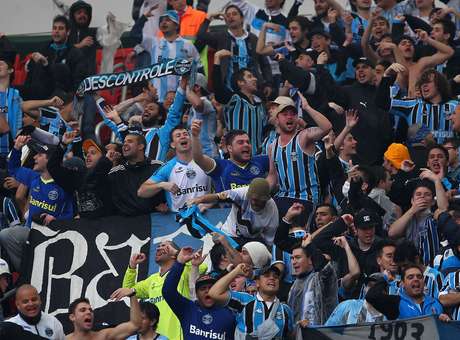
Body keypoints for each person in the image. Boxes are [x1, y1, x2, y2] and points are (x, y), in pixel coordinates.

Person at [1, 136, 74, 270]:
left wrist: (56, 219)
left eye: (39, 155)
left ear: (50, 160)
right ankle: (26, 270)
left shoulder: (64, 185)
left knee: (7, 234)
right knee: (6, 235)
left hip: (51, 235)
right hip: (30, 231)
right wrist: (17, 148)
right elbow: (13, 169)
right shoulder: (34, 177)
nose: (34, 158)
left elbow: (71, 214)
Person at [112, 241, 206, 340]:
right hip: (157, 337)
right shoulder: (152, 280)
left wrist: (178, 255)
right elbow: (128, 289)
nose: (159, 248)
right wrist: (132, 267)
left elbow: (202, 267)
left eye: (165, 246)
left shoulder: (184, 271)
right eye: (158, 246)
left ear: (174, 254)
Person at [266, 95, 332, 224]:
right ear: (277, 119)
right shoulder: (271, 146)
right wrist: (256, 193)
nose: (290, 117)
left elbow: (327, 127)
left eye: (293, 114)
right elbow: (272, 176)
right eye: (285, 114)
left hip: (305, 198)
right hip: (282, 197)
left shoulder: (304, 136)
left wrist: (307, 108)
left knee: (296, 234)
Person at [162, 246, 236, 339]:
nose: (207, 291)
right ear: (196, 294)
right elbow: (168, 291)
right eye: (203, 288)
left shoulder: (231, 313)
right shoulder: (188, 309)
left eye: (211, 287)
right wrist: (179, 263)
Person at [195, 5, 272, 92]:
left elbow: (264, 63)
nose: (231, 17)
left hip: (252, 91)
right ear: (226, 21)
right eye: (228, 15)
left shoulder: (253, 38)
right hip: (229, 91)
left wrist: (268, 84)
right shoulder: (221, 37)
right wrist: (209, 18)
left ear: (242, 18)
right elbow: (201, 37)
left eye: (234, 14)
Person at [208, 262, 294, 339]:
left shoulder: (286, 310)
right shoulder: (245, 300)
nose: (272, 278)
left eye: (276, 276)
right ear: (257, 283)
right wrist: (236, 271)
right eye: (267, 275)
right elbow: (214, 293)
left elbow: (291, 336)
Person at [130, 10, 200, 103]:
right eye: (161, 20)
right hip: (158, 100)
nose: (163, 22)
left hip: (180, 99)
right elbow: (134, 35)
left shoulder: (187, 45)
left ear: (176, 25)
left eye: (168, 20)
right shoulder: (154, 43)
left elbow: (198, 69)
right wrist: (143, 18)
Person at [138, 124, 211, 212]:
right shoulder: (168, 167)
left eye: (185, 134)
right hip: (179, 221)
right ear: (172, 144)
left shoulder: (205, 162)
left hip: (207, 216)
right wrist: (162, 185)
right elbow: (142, 191)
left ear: (191, 140)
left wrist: (210, 204)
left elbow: (222, 189)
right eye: (178, 135)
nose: (182, 137)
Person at [187, 177, 279, 245]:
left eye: (259, 200)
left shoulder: (272, 210)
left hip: (252, 241)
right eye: (253, 199)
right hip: (229, 234)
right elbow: (217, 196)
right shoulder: (241, 193)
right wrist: (199, 199)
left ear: (266, 199)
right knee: (219, 250)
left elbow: (269, 241)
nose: (255, 203)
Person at [213, 50, 267, 156]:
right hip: (235, 158)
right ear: (240, 82)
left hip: (257, 156)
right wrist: (217, 58)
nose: (255, 79)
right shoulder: (234, 99)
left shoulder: (260, 103)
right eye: (250, 76)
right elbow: (218, 89)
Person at [389, 173, 448, 266]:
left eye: (427, 194)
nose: (422, 197)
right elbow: (392, 233)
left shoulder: (434, 216)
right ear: (412, 200)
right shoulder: (408, 218)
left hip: (433, 265)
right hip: (411, 267)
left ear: (433, 201)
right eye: (418, 194)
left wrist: (436, 181)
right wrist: (412, 210)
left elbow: (443, 208)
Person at [22, 15, 88, 100]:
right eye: (54, 28)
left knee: (60, 67)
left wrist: (46, 65)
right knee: (13, 91)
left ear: (68, 32)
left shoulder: (76, 54)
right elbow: (30, 74)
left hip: (62, 94)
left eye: (60, 28)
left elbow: (78, 82)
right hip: (39, 92)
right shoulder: (43, 49)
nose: (56, 31)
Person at [192, 122, 269, 192]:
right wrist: (195, 136)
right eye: (240, 142)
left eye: (248, 142)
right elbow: (199, 158)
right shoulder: (220, 166)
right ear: (230, 148)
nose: (246, 145)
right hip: (228, 207)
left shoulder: (260, 161)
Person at [288, 233, 340, 331]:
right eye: (292, 258)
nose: (293, 262)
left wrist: (309, 246)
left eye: (298, 257)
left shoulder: (321, 279)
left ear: (310, 260)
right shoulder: (294, 285)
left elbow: (326, 269)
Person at [108, 131, 166, 216]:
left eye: (130, 141)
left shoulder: (158, 167)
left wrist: (167, 204)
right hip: (126, 224)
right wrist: (106, 161)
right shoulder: (116, 172)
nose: (125, 144)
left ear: (141, 146)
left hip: (155, 221)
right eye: (124, 142)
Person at [365, 264, 450, 321]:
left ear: (424, 281)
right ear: (402, 284)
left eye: (419, 276)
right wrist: (384, 279)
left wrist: (445, 320)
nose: (416, 279)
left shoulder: (436, 303)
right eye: (410, 277)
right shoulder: (395, 303)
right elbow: (371, 296)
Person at [66, 294, 142, 340]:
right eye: (83, 310)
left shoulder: (103, 337)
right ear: (72, 317)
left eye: (90, 310)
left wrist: (132, 295)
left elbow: (135, 324)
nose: (88, 312)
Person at [185, 74, 217, 157]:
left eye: (186, 85)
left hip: (209, 155)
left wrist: (187, 88)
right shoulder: (192, 108)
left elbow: (198, 104)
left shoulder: (206, 102)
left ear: (197, 87)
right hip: (196, 155)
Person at [68, 0, 98, 75]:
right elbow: (60, 49)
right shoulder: (66, 32)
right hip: (70, 78)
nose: (83, 15)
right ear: (73, 15)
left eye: (85, 13)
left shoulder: (93, 33)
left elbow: (108, 40)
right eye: (79, 12)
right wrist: (80, 45)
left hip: (89, 79)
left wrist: (112, 26)